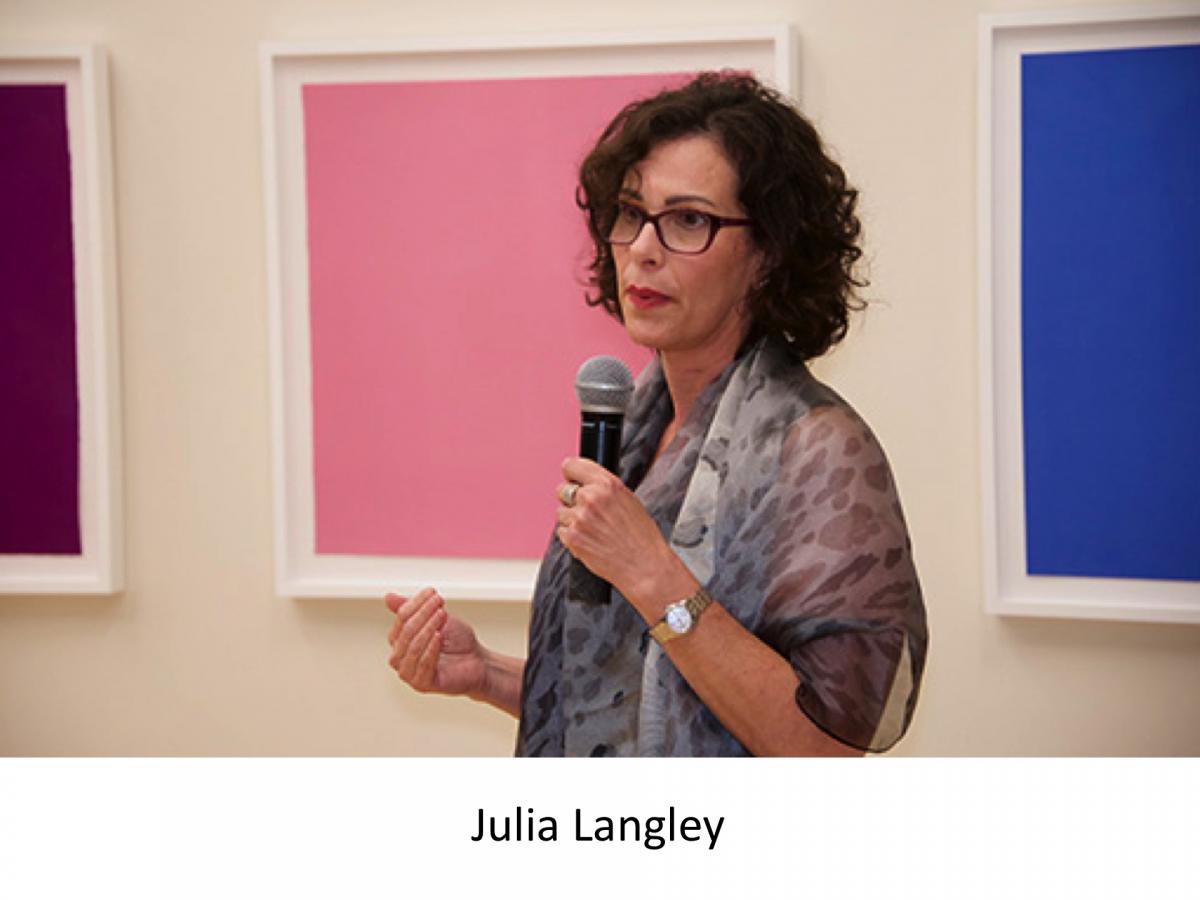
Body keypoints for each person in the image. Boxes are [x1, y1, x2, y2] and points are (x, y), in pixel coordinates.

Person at [385, 72, 927, 756]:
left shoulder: (819, 451)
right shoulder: (639, 427)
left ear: (767, 255)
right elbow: (652, 704)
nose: (642, 247)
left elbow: (829, 747)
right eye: (631, 213)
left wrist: (652, 575)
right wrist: (484, 674)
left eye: (689, 220)